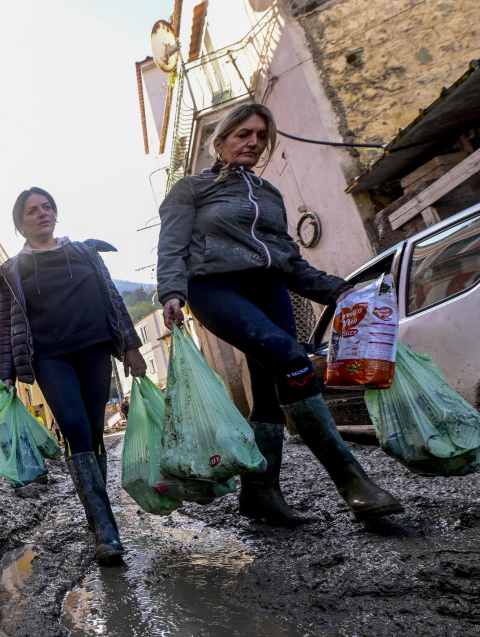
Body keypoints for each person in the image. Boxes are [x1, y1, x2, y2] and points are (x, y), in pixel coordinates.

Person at [157, 103, 402, 527]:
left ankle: (260, 494)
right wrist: (171, 293)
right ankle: (353, 483)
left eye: (261, 136)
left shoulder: (270, 194)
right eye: (243, 134)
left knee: (270, 395)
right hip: (215, 289)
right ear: (220, 142)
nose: (253, 142)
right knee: (290, 358)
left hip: (270, 290)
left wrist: (339, 290)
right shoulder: (191, 189)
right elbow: (172, 246)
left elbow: (291, 262)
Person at [0, 187, 147, 566]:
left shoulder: (84, 252)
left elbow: (113, 298)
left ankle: (99, 513)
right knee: (75, 427)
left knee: (94, 430)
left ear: (55, 214)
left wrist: (130, 346)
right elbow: (8, 323)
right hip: (49, 357)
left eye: (47, 207)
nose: (42, 214)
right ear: (20, 223)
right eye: (32, 211)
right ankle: (105, 529)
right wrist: (7, 372)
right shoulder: (14, 270)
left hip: (94, 348)